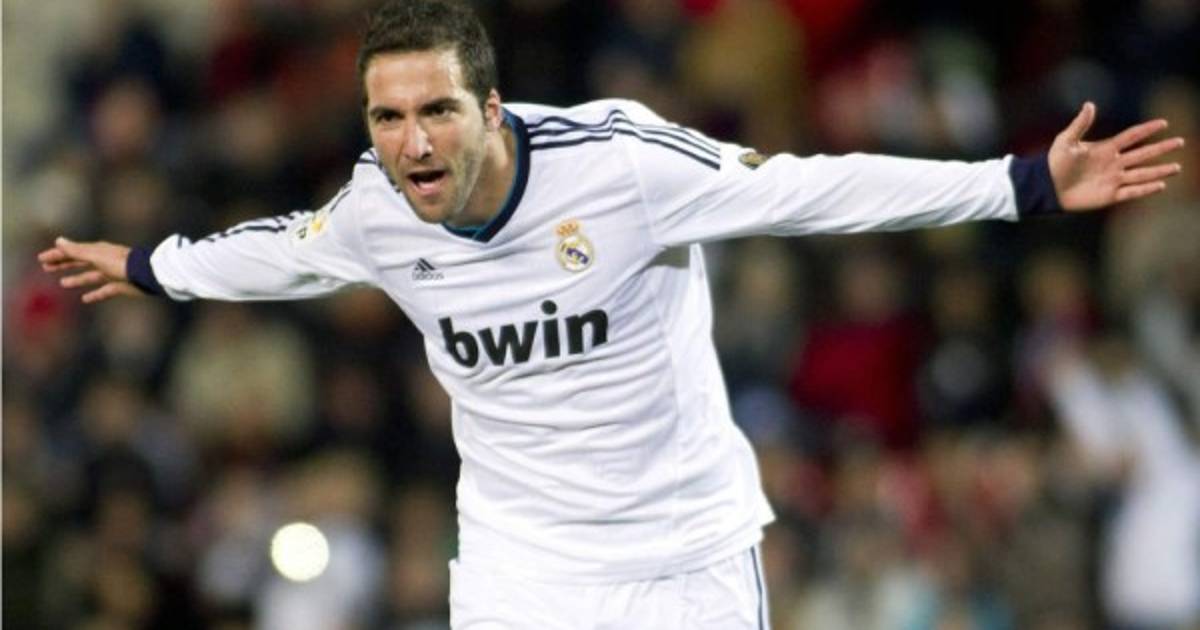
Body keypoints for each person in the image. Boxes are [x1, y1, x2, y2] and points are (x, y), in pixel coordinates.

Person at [39, 1, 1185, 628]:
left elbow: (808, 190)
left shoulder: (622, 164)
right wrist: (148, 265)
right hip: (521, 567)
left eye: (438, 111)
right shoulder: (376, 209)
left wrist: (1021, 182)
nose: (413, 142)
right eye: (388, 119)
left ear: (492, 107)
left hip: (682, 558)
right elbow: (279, 255)